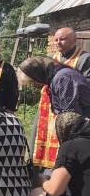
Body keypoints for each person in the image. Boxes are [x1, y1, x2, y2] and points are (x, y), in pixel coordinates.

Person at [29, 27, 90, 173]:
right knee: (41, 139)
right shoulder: (50, 58)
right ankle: (39, 170)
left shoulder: (85, 58)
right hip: (47, 108)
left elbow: (85, 85)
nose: (58, 42)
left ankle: (64, 169)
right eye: (56, 39)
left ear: (74, 40)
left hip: (72, 109)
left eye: (62, 39)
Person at [17, 55, 90, 117]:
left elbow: (71, 115)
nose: (35, 85)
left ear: (38, 74)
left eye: (33, 81)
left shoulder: (62, 78)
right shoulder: (58, 78)